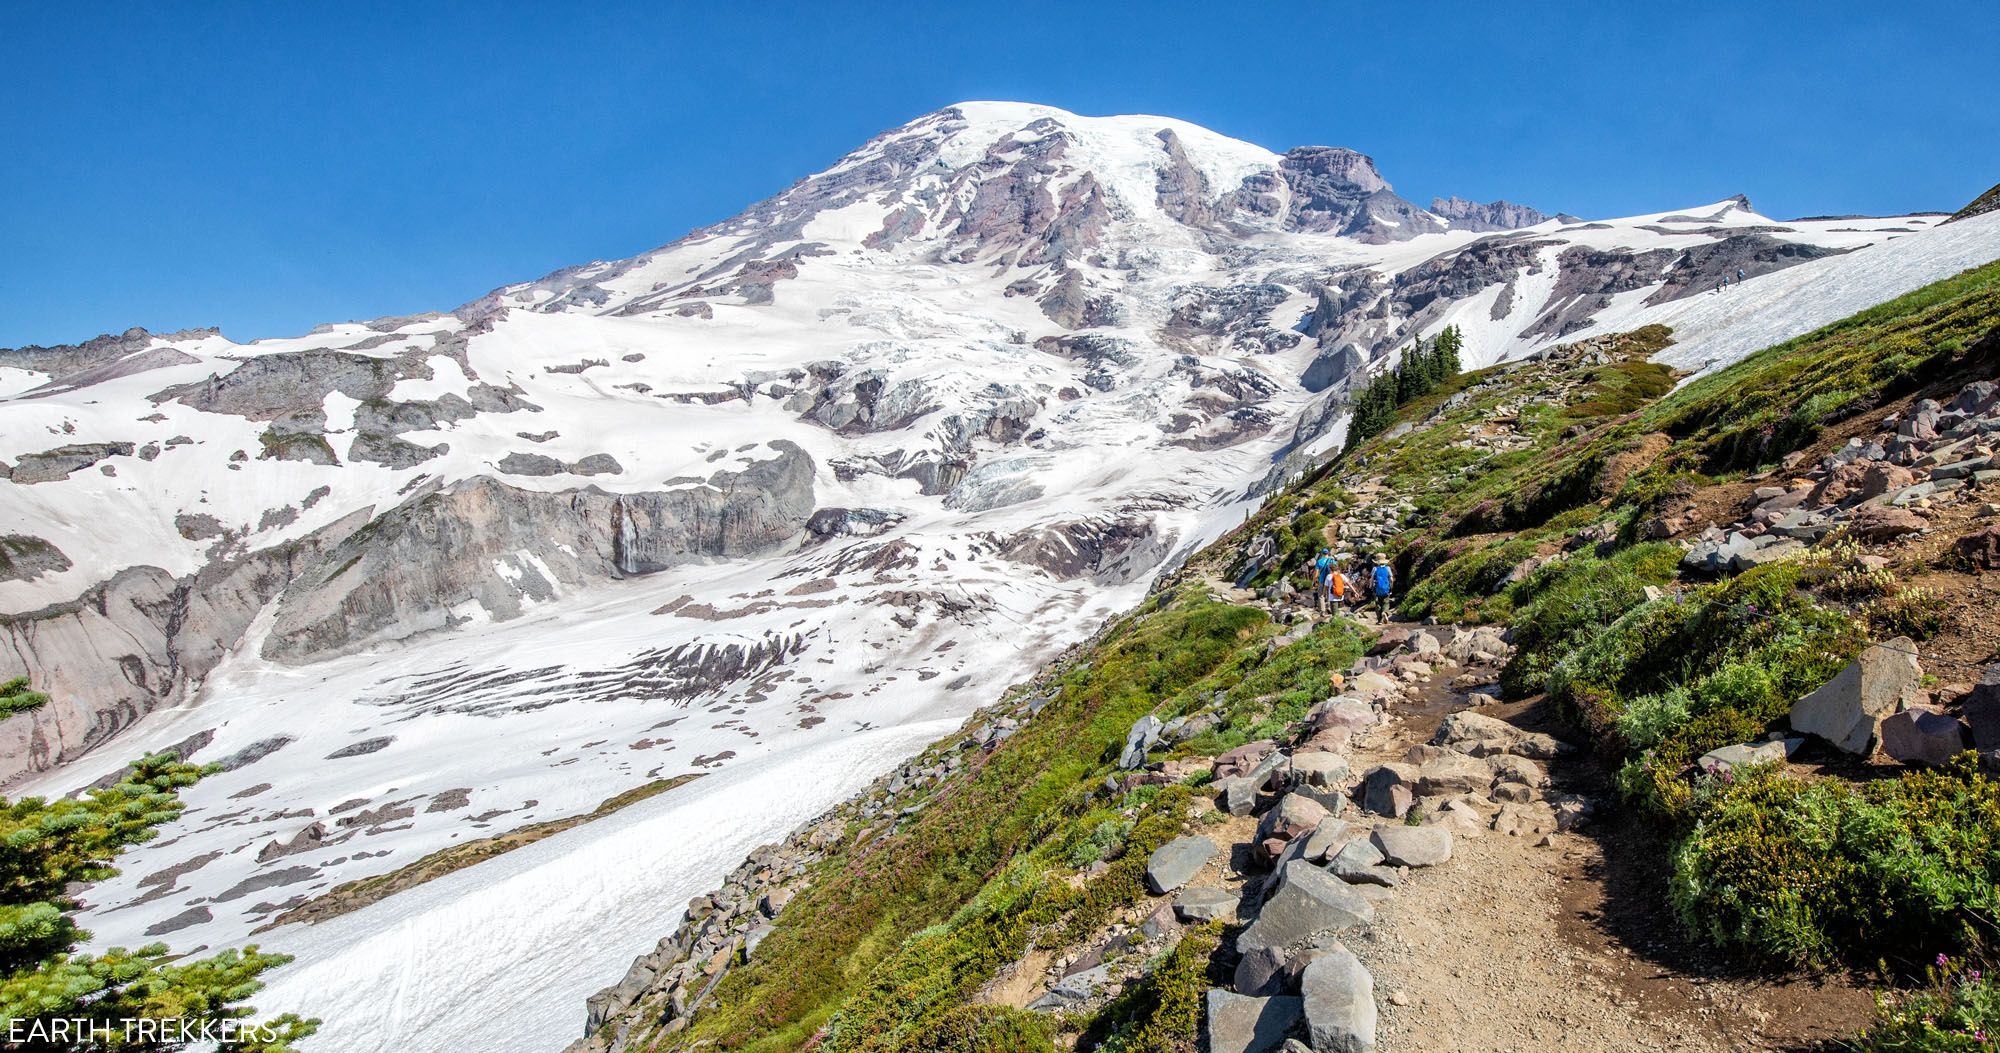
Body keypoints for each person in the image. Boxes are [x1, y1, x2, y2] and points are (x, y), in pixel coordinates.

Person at [1370, 554, 1395, 621]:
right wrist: (1391, 587)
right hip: (1386, 588)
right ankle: (1385, 612)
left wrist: (1371, 586)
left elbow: (1371, 579)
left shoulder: (1375, 568)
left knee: (1378, 604)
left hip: (1377, 589)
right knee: (1386, 602)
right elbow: (1391, 579)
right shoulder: (1388, 568)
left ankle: (1379, 620)